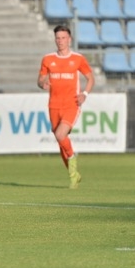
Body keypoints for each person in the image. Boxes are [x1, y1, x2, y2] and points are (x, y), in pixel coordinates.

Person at [37, 24, 94, 189]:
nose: (60, 41)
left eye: (63, 38)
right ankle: (73, 175)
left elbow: (90, 78)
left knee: (61, 134)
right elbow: (40, 80)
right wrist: (43, 83)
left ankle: (73, 160)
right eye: (58, 38)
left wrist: (85, 94)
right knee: (60, 140)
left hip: (71, 105)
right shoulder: (48, 59)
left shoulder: (78, 59)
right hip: (53, 106)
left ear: (69, 39)